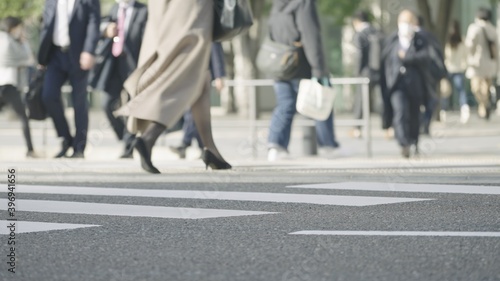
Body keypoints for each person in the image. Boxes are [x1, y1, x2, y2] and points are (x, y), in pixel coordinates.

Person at [115, 0, 230, 174]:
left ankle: (211, 149)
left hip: (164, 8)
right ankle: (149, 138)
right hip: (190, 8)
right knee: (187, 73)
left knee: (200, 75)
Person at [266, 0, 340, 161]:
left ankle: (276, 145)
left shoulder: (277, 5)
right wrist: (319, 68)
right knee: (320, 100)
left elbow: (272, 32)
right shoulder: (304, 3)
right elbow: (310, 34)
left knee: (285, 105)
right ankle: (328, 145)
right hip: (302, 64)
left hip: (280, 64)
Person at [38, 0, 101, 158]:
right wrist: (42, 57)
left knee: (79, 102)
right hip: (55, 55)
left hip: (79, 55)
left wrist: (89, 50)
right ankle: (66, 139)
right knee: (49, 96)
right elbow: (46, 25)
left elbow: (94, 23)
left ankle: (79, 147)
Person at [89, 0, 147, 159]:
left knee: (130, 107)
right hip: (113, 64)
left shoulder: (143, 10)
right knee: (107, 104)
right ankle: (126, 136)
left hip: (134, 66)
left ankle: (129, 147)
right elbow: (100, 27)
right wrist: (106, 31)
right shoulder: (114, 9)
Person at [380, 10, 429, 158]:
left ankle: (414, 140)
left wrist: (407, 57)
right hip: (396, 84)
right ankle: (404, 143)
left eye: (409, 22)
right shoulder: (392, 40)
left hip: (415, 84)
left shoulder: (420, 40)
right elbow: (384, 60)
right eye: (403, 22)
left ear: (414, 24)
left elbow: (426, 58)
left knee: (414, 114)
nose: (406, 26)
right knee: (400, 112)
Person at [170, 43, 226, 159]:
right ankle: (204, 148)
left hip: (203, 73)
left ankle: (185, 143)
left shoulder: (206, 26)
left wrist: (219, 76)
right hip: (191, 73)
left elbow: (215, 49)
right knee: (194, 113)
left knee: (193, 112)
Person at [0, 17, 37, 158]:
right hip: (7, 83)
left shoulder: (5, 39)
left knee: (23, 117)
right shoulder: (7, 40)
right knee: (23, 117)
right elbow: (27, 59)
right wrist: (24, 44)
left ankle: (30, 149)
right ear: (13, 27)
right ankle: (30, 150)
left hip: (5, 82)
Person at [351, 10, 382, 138]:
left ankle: (357, 129)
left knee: (361, 100)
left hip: (365, 72)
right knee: (382, 99)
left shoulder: (360, 34)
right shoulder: (377, 32)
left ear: (356, 21)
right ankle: (388, 127)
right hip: (379, 71)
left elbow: (360, 56)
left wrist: (356, 72)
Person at [465, 7, 499, 121]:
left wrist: (468, 58)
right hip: (490, 64)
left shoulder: (474, 28)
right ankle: (485, 106)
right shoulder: (493, 29)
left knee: (476, 88)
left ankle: (484, 105)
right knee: (486, 87)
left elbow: (469, 45)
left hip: (476, 64)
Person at [415, 16, 447, 135]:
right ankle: (426, 123)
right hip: (431, 74)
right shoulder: (430, 36)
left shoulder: (414, 37)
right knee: (430, 100)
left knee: (417, 100)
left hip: (417, 74)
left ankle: (421, 123)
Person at [443, 20, 469, 124]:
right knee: (457, 91)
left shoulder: (447, 40)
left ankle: (443, 111)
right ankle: (463, 112)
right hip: (456, 69)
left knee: (447, 92)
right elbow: (466, 56)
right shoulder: (461, 40)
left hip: (451, 69)